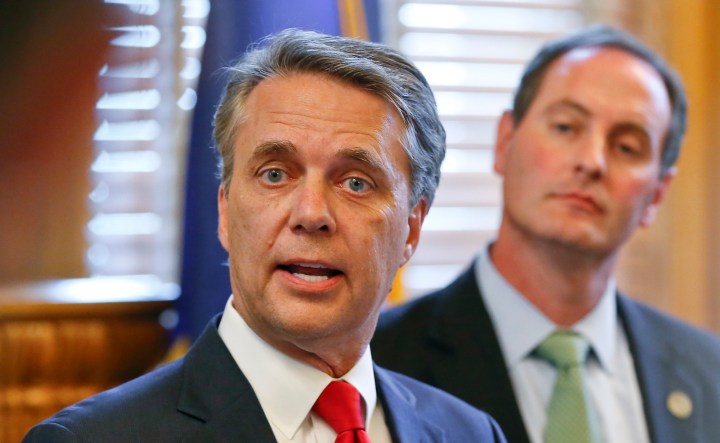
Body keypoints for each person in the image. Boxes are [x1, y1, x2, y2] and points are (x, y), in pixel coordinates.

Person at [24, 29, 507, 443]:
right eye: (275, 174)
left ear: (411, 229)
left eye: (356, 182)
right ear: (225, 212)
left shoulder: (471, 432)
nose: (312, 214)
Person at [372, 24, 720, 443]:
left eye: (627, 147)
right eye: (565, 127)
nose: (592, 161)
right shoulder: (380, 359)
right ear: (505, 141)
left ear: (657, 194)